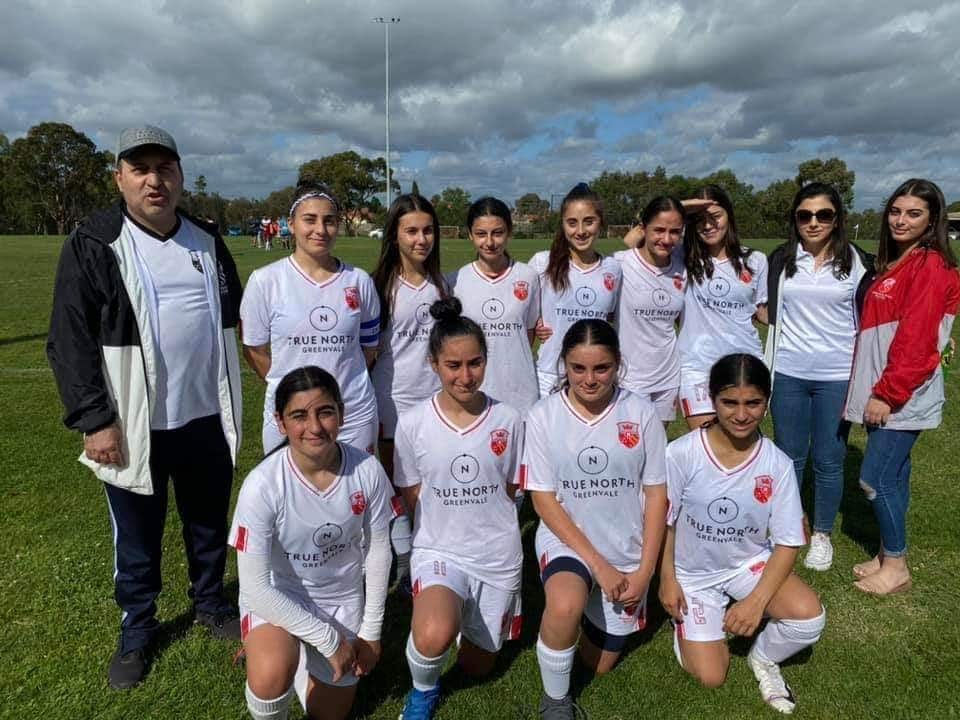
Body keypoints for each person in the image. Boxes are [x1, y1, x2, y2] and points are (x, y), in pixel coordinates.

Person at [46, 125, 244, 689]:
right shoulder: (97, 241)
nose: (155, 181)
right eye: (141, 170)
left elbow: (232, 317)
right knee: (137, 532)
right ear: (121, 178)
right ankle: (138, 629)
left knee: (207, 521)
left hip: (206, 413)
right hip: (132, 423)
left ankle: (211, 604)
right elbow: (69, 337)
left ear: (180, 176)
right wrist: (94, 419)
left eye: (165, 169)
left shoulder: (207, 240)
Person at [659, 353, 825, 715]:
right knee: (711, 676)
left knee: (809, 618)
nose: (741, 414)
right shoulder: (681, 454)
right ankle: (689, 626)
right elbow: (665, 523)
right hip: (693, 576)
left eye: (753, 403)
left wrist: (755, 603)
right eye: (729, 402)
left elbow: (787, 542)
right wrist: (668, 579)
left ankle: (763, 658)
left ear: (766, 402)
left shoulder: (776, 463)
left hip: (746, 564)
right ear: (712, 399)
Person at [521, 319, 668, 720]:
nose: (589, 379)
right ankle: (555, 702)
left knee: (599, 664)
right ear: (564, 365)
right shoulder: (543, 415)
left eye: (601, 368)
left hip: (625, 541)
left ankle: (580, 617)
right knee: (566, 603)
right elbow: (544, 501)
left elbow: (656, 495)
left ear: (618, 364)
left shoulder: (640, 412)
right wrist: (598, 567)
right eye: (578, 368)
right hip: (567, 537)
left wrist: (645, 573)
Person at [230, 367, 395, 720]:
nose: (315, 427)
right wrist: (329, 639)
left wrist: (371, 632)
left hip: (341, 597)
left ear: (341, 413)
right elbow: (257, 589)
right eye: (299, 415)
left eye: (325, 412)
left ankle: (301, 658)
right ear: (280, 421)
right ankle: (276, 648)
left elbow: (380, 549)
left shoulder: (366, 470)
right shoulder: (262, 485)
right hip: (280, 596)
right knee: (271, 674)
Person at [393, 298, 524, 720]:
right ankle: (422, 692)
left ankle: (474, 625)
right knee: (433, 635)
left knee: (478, 665)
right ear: (434, 363)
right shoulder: (413, 424)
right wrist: (442, 528)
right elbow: (412, 491)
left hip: (497, 554)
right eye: (453, 365)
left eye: (475, 363)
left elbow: (511, 486)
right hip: (440, 550)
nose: (465, 376)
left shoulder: (509, 419)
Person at [844, 178, 960, 595]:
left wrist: (887, 394)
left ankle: (897, 565)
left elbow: (917, 337)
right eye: (896, 211)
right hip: (888, 390)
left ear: (932, 220)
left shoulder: (929, 265)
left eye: (914, 213)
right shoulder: (900, 261)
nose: (901, 220)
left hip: (900, 396)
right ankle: (884, 552)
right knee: (896, 474)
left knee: (875, 479)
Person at [765, 183, 873, 571]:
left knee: (829, 460)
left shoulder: (858, 261)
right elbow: (766, 308)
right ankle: (789, 527)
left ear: (837, 219)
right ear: (795, 219)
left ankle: (823, 534)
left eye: (823, 215)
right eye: (804, 215)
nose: (813, 222)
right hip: (788, 374)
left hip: (837, 376)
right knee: (788, 457)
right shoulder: (780, 258)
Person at [241, 178, 381, 455]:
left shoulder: (359, 281)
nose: (320, 229)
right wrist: (289, 389)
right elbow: (253, 349)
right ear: (291, 224)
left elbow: (370, 347)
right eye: (310, 220)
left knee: (353, 493)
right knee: (293, 495)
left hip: (352, 413)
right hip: (290, 415)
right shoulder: (265, 280)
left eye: (329, 221)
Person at [370, 194, 448, 588]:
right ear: (395, 235)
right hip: (391, 398)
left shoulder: (441, 285)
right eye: (412, 230)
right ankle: (402, 556)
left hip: (433, 400)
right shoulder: (379, 286)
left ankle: (429, 550)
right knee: (395, 481)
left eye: (428, 230)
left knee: (429, 479)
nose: (422, 239)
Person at [677, 185, 768, 429]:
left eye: (715, 217)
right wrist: (681, 207)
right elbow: (634, 240)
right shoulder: (680, 258)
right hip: (696, 367)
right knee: (707, 448)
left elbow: (761, 311)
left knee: (740, 449)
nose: (708, 225)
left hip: (744, 367)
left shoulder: (755, 260)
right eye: (699, 219)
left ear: (729, 215)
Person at [448, 197, 541, 414]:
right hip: (473, 393)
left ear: (509, 232)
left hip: (520, 393)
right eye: (481, 234)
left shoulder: (528, 276)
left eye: (497, 233)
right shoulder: (455, 280)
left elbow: (528, 333)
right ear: (470, 234)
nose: (489, 242)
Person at [530, 183, 621, 396]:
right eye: (572, 222)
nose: (580, 231)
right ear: (562, 225)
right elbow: (518, 307)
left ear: (601, 223)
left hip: (593, 379)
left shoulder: (614, 268)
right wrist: (534, 324)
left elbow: (611, 318)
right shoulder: (542, 263)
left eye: (589, 222)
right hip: (549, 376)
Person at [613, 196, 687, 424]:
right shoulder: (619, 264)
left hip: (668, 376)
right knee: (628, 449)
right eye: (659, 230)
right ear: (643, 229)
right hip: (629, 377)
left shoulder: (683, 268)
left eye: (675, 231)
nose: (666, 239)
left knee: (657, 448)